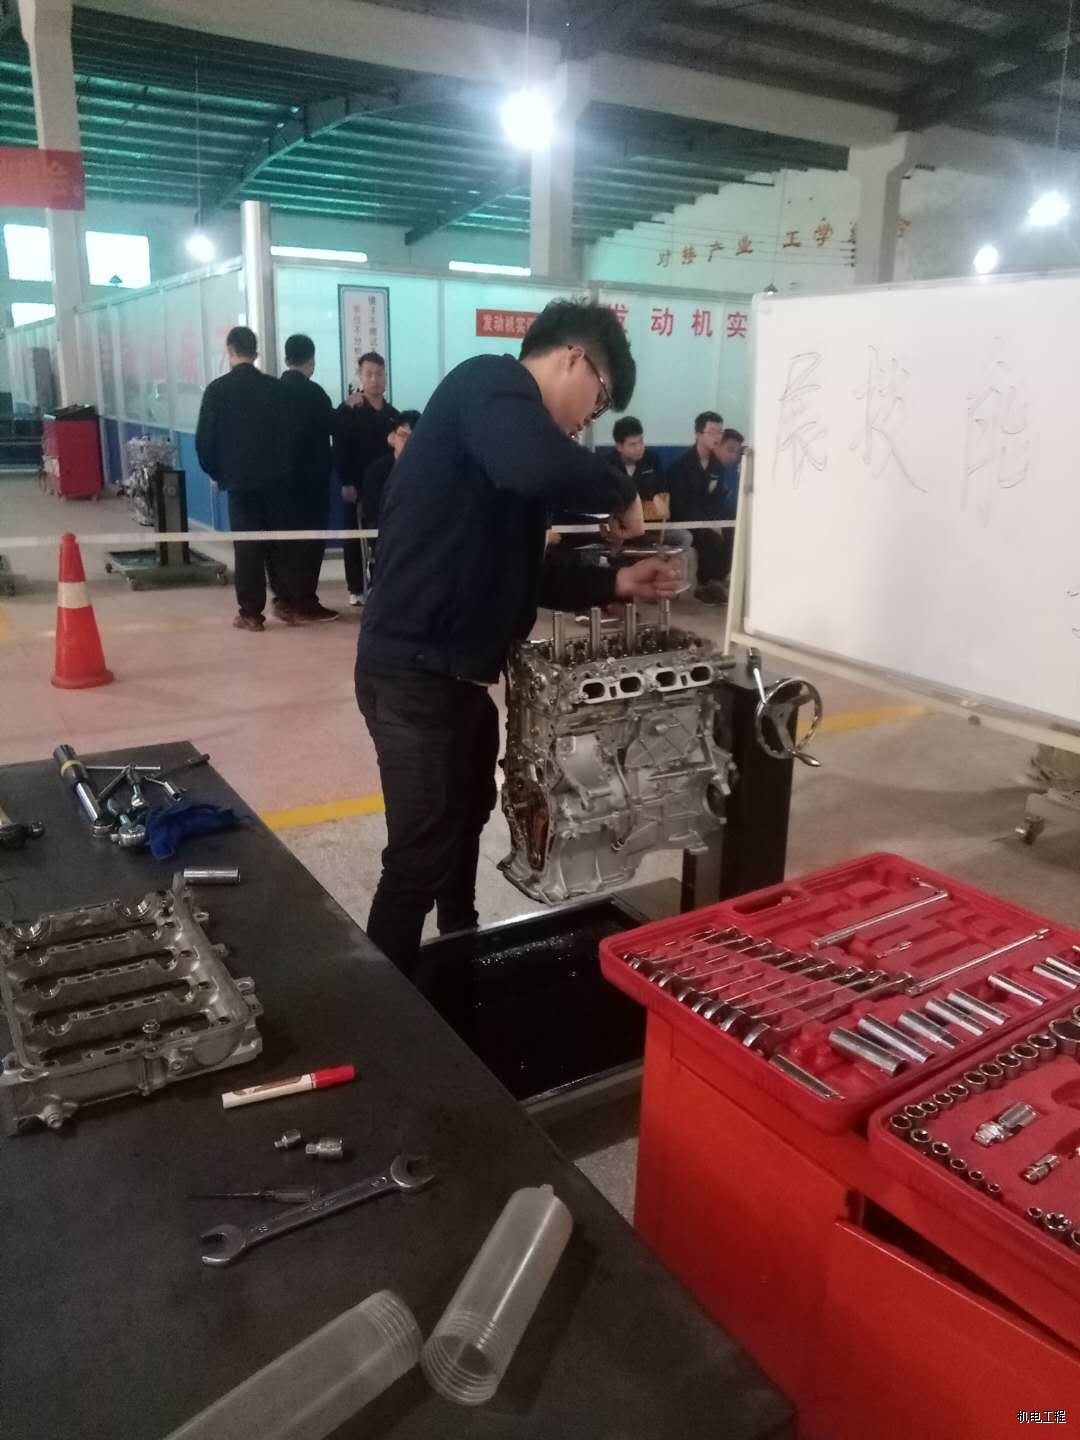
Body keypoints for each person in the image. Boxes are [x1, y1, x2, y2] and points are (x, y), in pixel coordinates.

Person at [356, 298, 679, 984]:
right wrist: (620, 490)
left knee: (465, 821)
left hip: (459, 676)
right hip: (411, 673)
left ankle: (458, 949)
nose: (589, 419)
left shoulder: (507, 451)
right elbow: (538, 466)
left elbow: (523, 572)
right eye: (598, 398)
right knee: (418, 855)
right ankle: (381, 1016)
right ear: (574, 359)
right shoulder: (488, 384)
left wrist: (618, 582)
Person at [195, 325, 291, 631]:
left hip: (239, 482)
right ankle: (286, 602)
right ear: (256, 351)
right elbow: (289, 438)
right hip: (276, 482)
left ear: (230, 350)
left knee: (248, 547)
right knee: (277, 543)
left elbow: (204, 440)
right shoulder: (276, 390)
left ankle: (251, 613)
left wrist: (216, 472)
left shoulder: (217, 390)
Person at [278, 333, 337, 623]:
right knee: (310, 545)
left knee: (283, 544)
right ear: (311, 361)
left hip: (279, 484)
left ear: (286, 357)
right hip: (311, 484)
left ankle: (284, 599)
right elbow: (334, 426)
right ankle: (305, 602)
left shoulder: (273, 392)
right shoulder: (315, 394)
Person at [333, 352, 400, 605]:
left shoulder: (394, 415)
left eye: (379, 374)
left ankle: (382, 583)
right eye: (369, 374)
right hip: (357, 483)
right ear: (360, 376)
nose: (375, 379)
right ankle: (357, 588)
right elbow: (340, 448)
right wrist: (346, 481)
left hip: (387, 486)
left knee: (385, 536)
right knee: (354, 536)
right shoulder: (349, 411)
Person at [667, 410, 731, 604]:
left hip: (708, 519)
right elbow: (680, 505)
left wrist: (720, 521)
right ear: (698, 434)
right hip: (685, 520)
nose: (717, 437)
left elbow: (718, 500)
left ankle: (717, 580)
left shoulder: (717, 465)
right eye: (712, 432)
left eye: (720, 432)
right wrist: (707, 524)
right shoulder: (680, 466)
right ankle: (704, 585)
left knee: (732, 532)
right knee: (711, 538)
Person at [361, 408, 422, 537]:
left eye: (414, 436)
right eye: (403, 435)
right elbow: (372, 511)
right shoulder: (376, 471)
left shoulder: (429, 469)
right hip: (387, 533)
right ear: (392, 438)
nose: (408, 442)